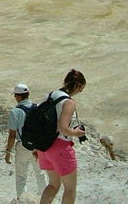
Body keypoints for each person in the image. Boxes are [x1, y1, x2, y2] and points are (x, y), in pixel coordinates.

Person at [37, 69, 87, 204]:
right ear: (77, 86)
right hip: (60, 148)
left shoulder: (50, 95)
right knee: (70, 189)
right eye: (81, 89)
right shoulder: (68, 102)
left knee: (53, 185)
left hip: (43, 147)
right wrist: (76, 132)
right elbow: (63, 128)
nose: (79, 92)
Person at [4, 82, 46, 202]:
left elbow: (12, 135)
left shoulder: (15, 112)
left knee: (21, 177)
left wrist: (8, 152)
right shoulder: (37, 107)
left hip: (22, 147)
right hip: (37, 147)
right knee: (40, 174)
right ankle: (46, 200)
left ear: (18, 96)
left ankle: (22, 201)